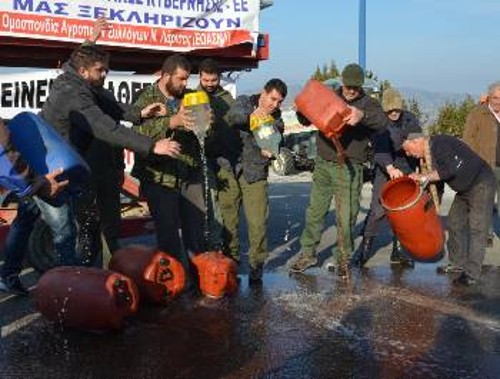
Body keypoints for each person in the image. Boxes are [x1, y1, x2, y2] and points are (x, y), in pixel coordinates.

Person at [38, 43, 180, 268]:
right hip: (56, 167)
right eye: (100, 70)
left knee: (45, 222)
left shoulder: (86, 84)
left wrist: (139, 114)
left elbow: (111, 105)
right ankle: (71, 282)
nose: (105, 73)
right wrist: (152, 146)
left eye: (106, 69)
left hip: (70, 162)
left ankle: (15, 272)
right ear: (84, 71)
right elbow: (105, 127)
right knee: (67, 229)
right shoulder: (72, 92)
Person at [290, 63, 387, 276]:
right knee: (315, 212)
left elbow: (382, 123)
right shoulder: (328, 96)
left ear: (361, 86)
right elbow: (307, 119)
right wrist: (301, 110)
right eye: (347, 85)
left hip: (350, 165)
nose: (351, 90)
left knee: (346, 216)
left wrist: (362, 116)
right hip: (324, 163)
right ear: (342, 82)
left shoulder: (369, 104)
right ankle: (307, 254)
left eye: (355, 86)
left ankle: (343, 259)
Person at [132, 54, 206, 273]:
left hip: (189, 174)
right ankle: (173, 285)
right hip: (159, 178)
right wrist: (172, 121)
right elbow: (137, 134)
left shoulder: (192, 97)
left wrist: (204, 125)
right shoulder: (146, 98)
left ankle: (199, 281)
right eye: (181, 79)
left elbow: (207, 133)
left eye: (187, 79)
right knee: (168, 235)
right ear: (165, 76)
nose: (185, 84)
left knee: (196, 232)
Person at [393, 131, 495, 286]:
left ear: (417, 141)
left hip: (481, 183)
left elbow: (452, 168)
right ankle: (457, 264)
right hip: (464, 189)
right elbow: (437, 186)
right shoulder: (428, 157)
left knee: (477, 228)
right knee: (454, 223)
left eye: (408, 149)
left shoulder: (440, 144)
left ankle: (472, 274)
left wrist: (424, 177)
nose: (408, 154)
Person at [217, 78, 287, 285]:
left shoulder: (277, 118)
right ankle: (231, 265)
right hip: (230, 166)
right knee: (229, 221)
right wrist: (253, 117)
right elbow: (234, 117)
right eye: (272, 99)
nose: (274, 105)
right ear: (263, 92)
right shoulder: (244, 101)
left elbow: (276, 136)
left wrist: (271, 148)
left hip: (255, 172)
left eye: (279, 102)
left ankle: (256, 267)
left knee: (258, 223)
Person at [350, 87, 421, 269]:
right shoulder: (380, 123)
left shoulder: (411, 119)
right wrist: (390, 167)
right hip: (385, 169)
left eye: (397, 109)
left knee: (403, 212)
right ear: (385, 110)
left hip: (407, 170)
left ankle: (399, 251)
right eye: (390, 110)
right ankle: (364, 250)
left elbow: (418, 142)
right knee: (377, 209)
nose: (394, 113)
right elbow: (379, 150)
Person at [0, 118, 69, 295]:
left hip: (38, 170)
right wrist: (33, 183)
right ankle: (69, 288)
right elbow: (5, 149)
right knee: (64, 230)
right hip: (44, 171)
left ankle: (8, 276)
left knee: (25, 219)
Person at [197, 58, 235, 250]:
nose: (210, 84)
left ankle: (229, 250)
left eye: (214, 80)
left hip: (225, 160)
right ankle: (213, 246)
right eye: (206, 80)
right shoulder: (193, 97)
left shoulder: (227, 98)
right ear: (200, 78)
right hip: (202, 160)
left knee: (229, 206)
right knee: (211, 204)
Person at [462, 81, 500, 247]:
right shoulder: (477, 114)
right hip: (485, 165)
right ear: (489, 97)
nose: (498, 101)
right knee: (486, 201)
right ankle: (486, 234)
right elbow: (468, 140)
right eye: (495, 98)